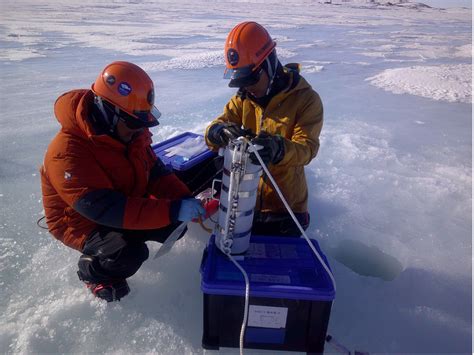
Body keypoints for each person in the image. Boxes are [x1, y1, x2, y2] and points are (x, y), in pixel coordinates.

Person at [40, 61, 205, 302]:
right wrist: (171, 210)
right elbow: (106, 209)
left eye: (142, 124)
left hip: (122, 198)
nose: (140, 130)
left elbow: (155, 171)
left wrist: (182, 198)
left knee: (173, 227)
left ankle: (130, 235)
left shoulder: (129, 133)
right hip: (81, 220)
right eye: (133, 123)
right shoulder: (66, 152)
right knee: (127, 254)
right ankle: (93, 272)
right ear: (107, 111)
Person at [205, 22, 324, 237]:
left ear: (269, 64)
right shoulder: (243, 98)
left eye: (251, 79)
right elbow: (214, 128)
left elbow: (307, 149)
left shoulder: (306, 99)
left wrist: (279, 149)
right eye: (242, 81)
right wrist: (219, 131)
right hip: (243, 204)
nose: (248, 86)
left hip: (285, 210)